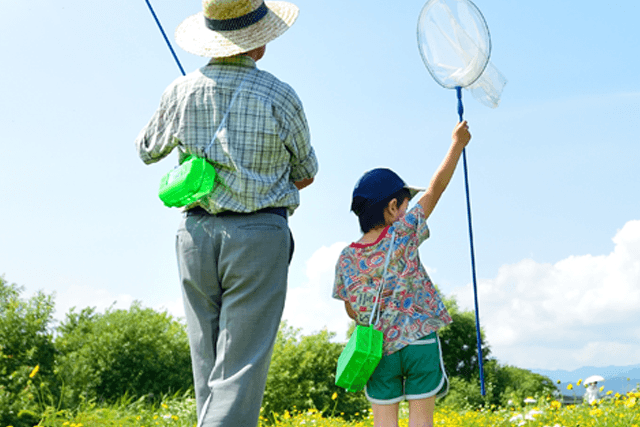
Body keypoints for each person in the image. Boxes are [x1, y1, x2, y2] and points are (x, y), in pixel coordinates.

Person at [135, 1, 318, 426]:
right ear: (259, 40)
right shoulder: (280, 94)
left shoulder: (180, 90)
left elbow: (146, 150)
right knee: (239, 368)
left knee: (209, 365)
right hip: (258, 234)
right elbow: (307, 173)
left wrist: (183, 108)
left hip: (195, 236)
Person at [333, 121, 471, 427]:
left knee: (384, 422)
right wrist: (456, 144)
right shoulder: (404, 231)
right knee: (421, 421)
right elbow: (437, 188)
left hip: (379, 349)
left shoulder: (346, 257)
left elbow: (352, 309)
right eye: (406, 205)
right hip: (419, 340)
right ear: (394, 207)